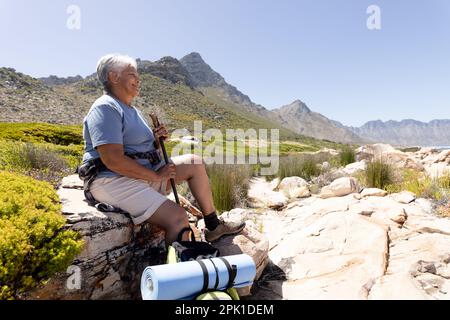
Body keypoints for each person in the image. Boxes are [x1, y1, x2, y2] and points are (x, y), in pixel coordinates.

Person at [81, 54, 245, 246]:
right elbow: (113, 160)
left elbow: (139, 148)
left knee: (194, 162)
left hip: (141, 176)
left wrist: (157, 142)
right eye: (132, 74)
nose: (138, 79)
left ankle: (213, 226)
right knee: (177, 217)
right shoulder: (105, 108)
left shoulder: (132, 111)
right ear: (114, 77)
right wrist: (156, 176)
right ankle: (178, 271)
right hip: (112, 180)